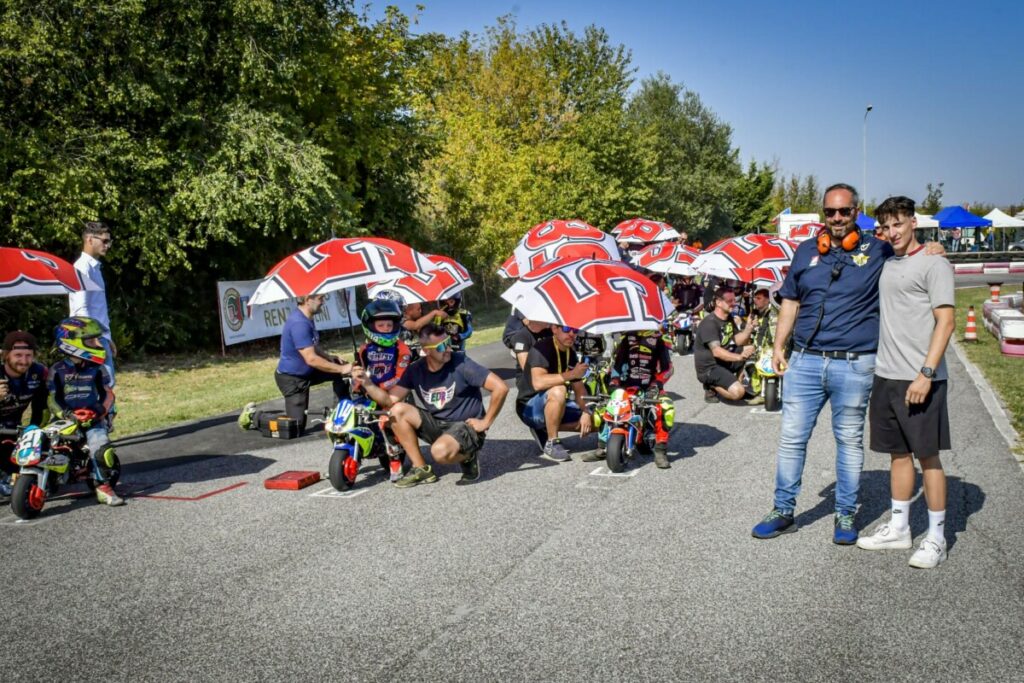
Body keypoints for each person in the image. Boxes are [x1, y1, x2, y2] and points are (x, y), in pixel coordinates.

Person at [751, 183, 896, 545]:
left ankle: (845, 513)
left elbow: (909, 252)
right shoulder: (805, 251)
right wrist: (779, 346)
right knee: (791, 439)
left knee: (848, 441)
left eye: (844, 211)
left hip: (854, 364)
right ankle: (783, 511)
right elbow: (790, 301)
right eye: (830, 212)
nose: (837, 218)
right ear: (823, 214)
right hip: (805, 362)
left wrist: (933, 249)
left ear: (855, 212)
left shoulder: (878, 250)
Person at [856, 196, 956, 568]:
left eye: (899, 224)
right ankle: (899, 528)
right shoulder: (886, 260)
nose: (893, 232)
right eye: (886, 226)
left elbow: (946, 322)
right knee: (898, 455)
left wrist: (926, 374)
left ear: (914, 222)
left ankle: (936, 537)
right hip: (887, 375)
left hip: (921, 378)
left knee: (928, 456)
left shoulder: (934, 262)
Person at [353, 324, 508, 488]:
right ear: (426, 351)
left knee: (439, 453)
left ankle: (468, 456)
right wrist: (367, 383)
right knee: (396, 410)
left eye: (447, 342)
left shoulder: (461, 363)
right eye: (441, 346)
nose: (447, 349)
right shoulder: (415, 370)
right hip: (438, 423)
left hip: (466, 426)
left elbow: (500, 388)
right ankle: (421, 469)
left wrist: (485, 422)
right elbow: (389, 400)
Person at [238, 293, 354, 436]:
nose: (323, 302)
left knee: (339, 371)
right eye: (320, 299)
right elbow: (311, 359)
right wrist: (341, 368)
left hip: (309, 371)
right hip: (292, 379)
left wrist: (329, 357)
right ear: (307, 300)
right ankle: (253, 417)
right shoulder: (299, 324)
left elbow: (311, 344)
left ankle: (341, 415)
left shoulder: (307, 317)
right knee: (294, 429)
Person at [48, 317, 123, 506]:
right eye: (91, 340)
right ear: (71, 343)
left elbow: (108, 394)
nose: (98, 344)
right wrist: (66, 414)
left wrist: (98, 412)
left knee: (101, 449)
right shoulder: (56, 370)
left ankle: (103, 487)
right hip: (63, 418)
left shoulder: (98, 368)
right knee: (41, 444)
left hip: (92, 419)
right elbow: (52, 399)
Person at [584, 329, 675, 468]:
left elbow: (668, 369)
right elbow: (617, 364)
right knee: (602, 406)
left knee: (665, 408)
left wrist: (656, 385)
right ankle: (602, 447)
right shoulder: (626, 339)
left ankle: (660, 450)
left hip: (651, 387)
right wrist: (614, 380)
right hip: (626, 386)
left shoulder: (659, 339)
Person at [515, 324, 594, 461]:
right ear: (554, 329)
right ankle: (552, 442)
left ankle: (545, 428)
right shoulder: (541, 348)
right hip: (530, 408)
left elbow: (579, 389)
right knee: (559, 390)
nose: (571, 334)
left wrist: (586, 412)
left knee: (597, 420)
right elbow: (538, 383)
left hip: (557, 404)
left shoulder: (570, 352)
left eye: (575, 330)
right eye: (566, 329)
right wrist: (572, 374)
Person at [68, 221, 117, 417]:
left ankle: (103, 422)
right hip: (89, 336)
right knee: (100, 383)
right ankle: (97, 425)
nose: (108, 245)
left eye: (109, 241)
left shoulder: (95, 268)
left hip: (99, 335)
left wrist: (107, 337)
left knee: (106, 382)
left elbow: (98, 308)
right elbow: (81, 307)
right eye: (104, 241)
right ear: (89, 239)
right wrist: (92, 338)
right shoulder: (82, 267)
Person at [0, 331, 49, 496]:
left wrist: (34, 432)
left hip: (13, 431)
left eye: (28, 355)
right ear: (6, 355)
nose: (24, 360)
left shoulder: (39, 372)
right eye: (18, 355)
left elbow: (42, 408)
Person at [694, 286, 756, 403]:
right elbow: (717, 352)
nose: (734, 304)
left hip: (723, 361)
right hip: (710, 367)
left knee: (751, 348)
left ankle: (737, 381)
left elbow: (737, 341)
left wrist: (748, 328)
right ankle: (711, 385)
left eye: (734, 300)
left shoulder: (728, 318)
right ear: (718, 302)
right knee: (738, 393)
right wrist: (739, 357)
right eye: (729, 301)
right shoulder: (709, 323)